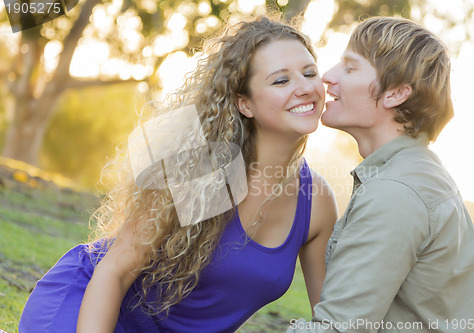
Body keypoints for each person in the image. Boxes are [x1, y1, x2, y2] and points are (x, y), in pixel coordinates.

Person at [19, 16, 338, 333]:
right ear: (245, 103)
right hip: (88, 308)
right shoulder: (207, 170)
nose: (305, 88)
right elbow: (113, 271)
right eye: (281, 81)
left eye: (309, 73)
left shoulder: (316, 202)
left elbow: (331, 317)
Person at [288, 16, 474, 332]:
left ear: (395, 94)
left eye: (350, 68)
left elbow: (337, 328)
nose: (327, 77)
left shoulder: (396, 190)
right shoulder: (413, 175)